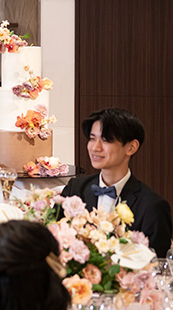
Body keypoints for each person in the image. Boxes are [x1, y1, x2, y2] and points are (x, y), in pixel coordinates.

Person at [61, 108, 171, 256]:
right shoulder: (75, 189)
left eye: (106, 140)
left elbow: (157, 264)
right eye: (92, 138)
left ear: (131, 147)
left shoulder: (152, 206)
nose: (95, 148)